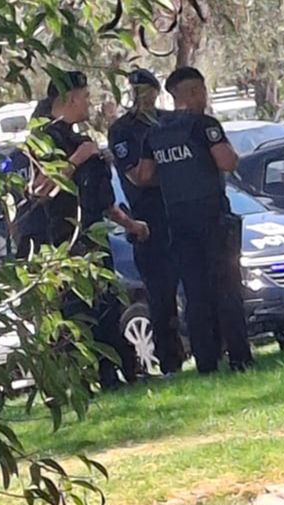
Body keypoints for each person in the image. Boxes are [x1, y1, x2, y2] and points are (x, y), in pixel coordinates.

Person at [23, 70, 150, 389]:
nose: (89, 103)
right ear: (69, 99)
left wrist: (130, 224)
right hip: (63, 242)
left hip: (93, 237)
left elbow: (101, 199)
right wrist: (78, 159)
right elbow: (40, 190)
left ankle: (115, 371)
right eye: (85, 97)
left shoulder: (80, 139)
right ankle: (81, 378)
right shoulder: (42, 140)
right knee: (76, 313)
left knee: (107, 306)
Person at [136, 67, 253, 375]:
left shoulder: (155, 132)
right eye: (202, 91)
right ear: (192, 93)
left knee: (195, 291)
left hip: (177, 219)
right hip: (211, 216)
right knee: (226, 287)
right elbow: (227, 161)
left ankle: (206, 361)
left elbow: (145, 176)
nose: (205, 97)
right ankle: (239, 357)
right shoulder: (204, 125)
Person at [108, 69, 184, 377]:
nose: (143, 96)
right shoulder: (123, 130)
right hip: (148, 219)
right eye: (136, 90)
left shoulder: (171, 121)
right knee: (161, 295)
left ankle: (211, 349)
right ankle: (170, 362)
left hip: (180, 211)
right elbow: (138, 176)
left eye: (148, 89)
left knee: (199, 286)